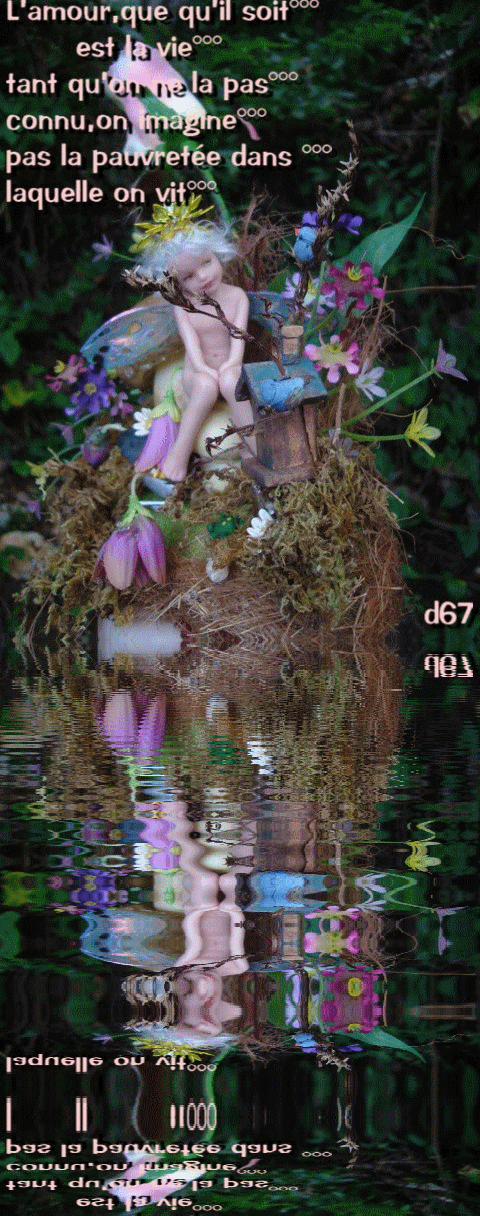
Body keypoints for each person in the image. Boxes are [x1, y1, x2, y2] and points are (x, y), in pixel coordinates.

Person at [134, 200, 256, 482]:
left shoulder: (237, 297)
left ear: (218, 254)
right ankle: (179, 453)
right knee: (205, 387)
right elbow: (192, 346)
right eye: (188, 276)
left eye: (207, 262)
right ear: (176, 283)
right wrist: (202, 368)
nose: (203, 276)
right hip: (197, 370)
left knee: (232, 383)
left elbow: (238, 337)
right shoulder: (183, 307)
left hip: (230, 363)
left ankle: (254, 446)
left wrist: (232, 364)